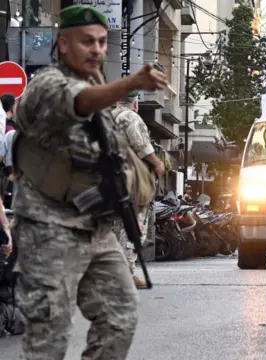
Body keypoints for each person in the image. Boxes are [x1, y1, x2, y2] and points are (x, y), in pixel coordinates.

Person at [10, 5, 167, 359]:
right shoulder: (46, 85)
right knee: (48, 338)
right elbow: (79, 102)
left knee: (119, 318)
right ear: (63, 44)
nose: (97, 49)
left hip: (97, 228)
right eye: (86, 42)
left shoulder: (101, 95)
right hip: (49, 230)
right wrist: (132, 82)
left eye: (101, 42)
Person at [111, 90, 165, 289]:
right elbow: (142, 145)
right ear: (135, 104)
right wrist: (157, 163)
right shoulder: (131, 117)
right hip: (130, 180)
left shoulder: (109, 117)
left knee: (114, 228)